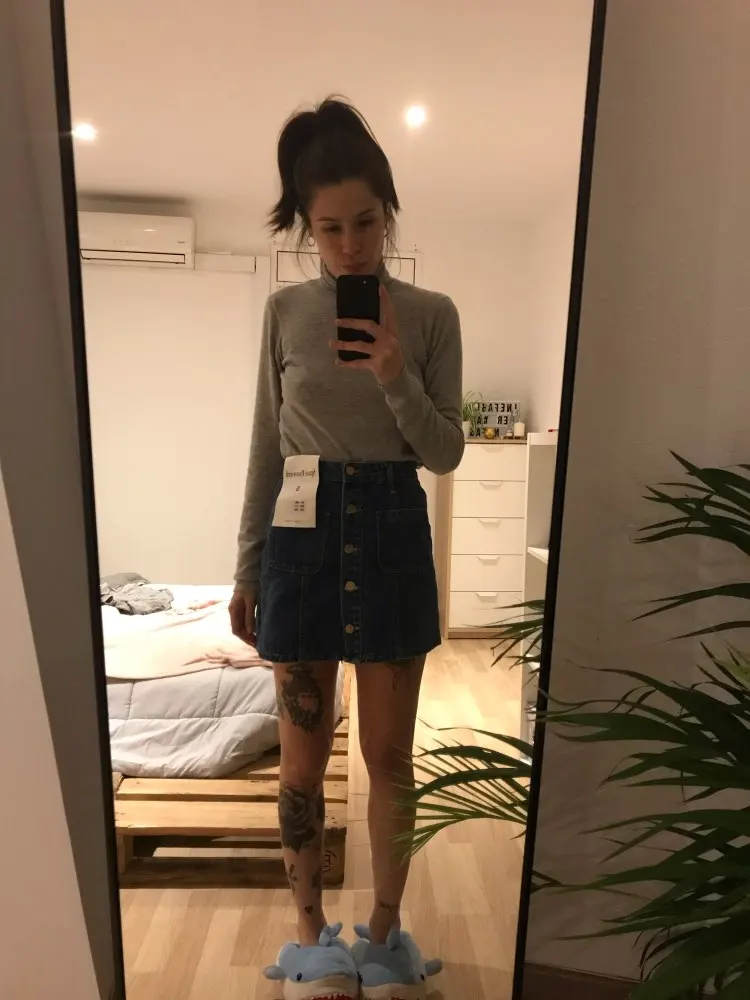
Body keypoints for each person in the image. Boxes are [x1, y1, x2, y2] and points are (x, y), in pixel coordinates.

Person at [230, 96, 464, 1000]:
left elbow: (444, 451)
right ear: (305, 226)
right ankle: (310, 938)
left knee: (389, 758)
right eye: (329, 228)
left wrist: (396, 373)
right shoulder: (285, 312)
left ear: (388, 211)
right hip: (299, 538)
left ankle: (386, 934)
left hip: (394, 527)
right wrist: (246, 566)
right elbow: (266, 444)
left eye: (366, 222)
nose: (351, 245)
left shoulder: (432, 314)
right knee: (299, 763)